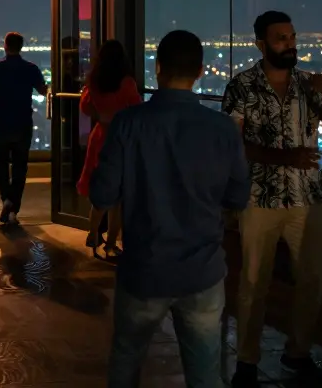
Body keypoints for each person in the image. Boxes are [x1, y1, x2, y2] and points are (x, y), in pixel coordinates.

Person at [91, 30, 249, 387]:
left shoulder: (129, 124)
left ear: (158, 67)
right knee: (206, 373)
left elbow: (102, 194)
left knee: (126, 361)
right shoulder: (222, 129)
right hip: (203, 271)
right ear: (200, 71)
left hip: (144, 270)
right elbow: (239, 197)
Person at [222, 11, 322, 388]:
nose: (290, 43)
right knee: (253, 284)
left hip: (305, 198)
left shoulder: (310, 85)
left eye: (292, 36)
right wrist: (283, 158)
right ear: (261, 44)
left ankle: (298, 353)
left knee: (312, 280)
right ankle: (246, 361)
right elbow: (232, 143)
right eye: (281, 38)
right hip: (259, 196)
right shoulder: (242, 86)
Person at [77, 39, 143, 259]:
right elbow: (136, 109)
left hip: (100, 135)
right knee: (119, 195)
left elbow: (85, 107)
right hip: (120, 138)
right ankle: (112, 243)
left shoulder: (94, 82)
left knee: (100, 190)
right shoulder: (127, 83)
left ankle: (93, 232)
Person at [0, 32, 48, 226]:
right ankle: (13, 208)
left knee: (1, 166)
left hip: (2, 123)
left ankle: (6, 200)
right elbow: (43, 90)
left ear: (5, 45)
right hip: (22, 123)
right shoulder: (31, 68)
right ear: (21, 47)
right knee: (20, 167)